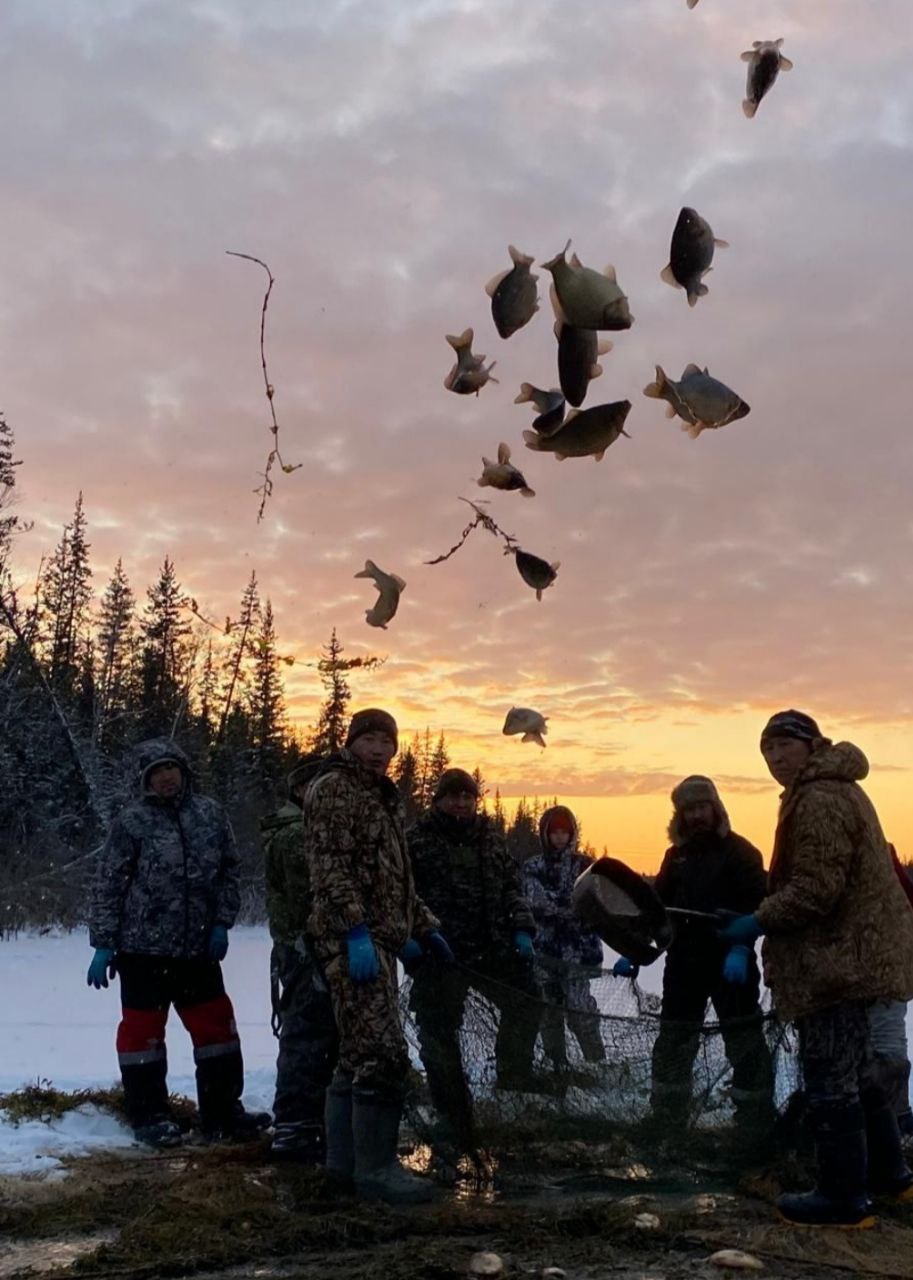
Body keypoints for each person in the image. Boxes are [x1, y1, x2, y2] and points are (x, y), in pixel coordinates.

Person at [721, 710, 913, 1227]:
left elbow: (816, 891)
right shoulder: (831, 790)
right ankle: (892, 1178)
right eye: (767, 752)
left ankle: (842, 1198)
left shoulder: (821, 798)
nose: (776, 759)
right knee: (859, 1073)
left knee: (830, 1077)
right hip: (858, 958)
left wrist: (755, 923)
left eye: (784, 745)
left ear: (811, 745)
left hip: (838, 963)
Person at [87, 738, 268, 1148]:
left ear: (184, 772)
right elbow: (108, 883)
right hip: (142, 952)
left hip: (198, 951)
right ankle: (150, 1116)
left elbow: (229, 872)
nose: (166, 777)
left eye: (172, 769)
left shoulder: (209, 814)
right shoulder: (131, 822)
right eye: (157, 772)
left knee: (217, 1031)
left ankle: (222, 1113)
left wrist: (222, 923)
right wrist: (103, 943)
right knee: (142, 1037)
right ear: (146, 779)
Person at [303, 709, 453, 1204]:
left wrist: (425, 926)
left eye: (385, 742)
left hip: (381, 942)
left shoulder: (383, 797)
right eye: (367, 739)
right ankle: (377, 1171)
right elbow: (330, 867)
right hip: (351, 943)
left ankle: (341, 1170)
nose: (376, 749)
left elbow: (392, 876)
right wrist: (356, 931)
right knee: (382, 1053)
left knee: (355, 1056)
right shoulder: (334, 789)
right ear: (351, 743)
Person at [615, 776, 774, 1133]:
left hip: (731, 964)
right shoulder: (676, 857)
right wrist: (636, 951)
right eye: (689, 810)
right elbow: (657, 910)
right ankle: (667, 1116)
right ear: (680, 815)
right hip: (684, 963)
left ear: (716, 809)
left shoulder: (743, 853)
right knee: (673, 1040)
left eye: (702, 807)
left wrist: (739, 947)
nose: (696, 815)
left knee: (744, 1040)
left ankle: (754, 1118)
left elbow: (757, 908)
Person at [407, 767, 540, 1157]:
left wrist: (522, 926)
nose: (461, 803)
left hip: (491, 947)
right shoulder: (417, 840)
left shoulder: (491, 838)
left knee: (528, 998)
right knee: (438, 1026)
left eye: (468, 797)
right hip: (439, 950)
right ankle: (451, 1112)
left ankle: (513, 1081)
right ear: (438, 800)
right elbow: (401, 892)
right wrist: (412, 937)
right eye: (453, 796)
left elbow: (511, 887)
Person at [261, 759, 338, 1163]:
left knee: (320, 1037)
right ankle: (293, 1126)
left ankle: (312, 1122)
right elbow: (312, 899)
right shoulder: (296, 835)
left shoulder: (314, 829)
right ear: (299, 791)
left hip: (314, 950)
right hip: (305, 953)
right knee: (306, 1039)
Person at [523, 806, 606, 1072]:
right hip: (544, 951)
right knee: (549, 1010)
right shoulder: (533, 865)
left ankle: (597, 1062)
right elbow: (535, 900)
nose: (560, 837)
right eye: (554, 832)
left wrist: (563, 907)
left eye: (564, 832)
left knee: (581, 1010)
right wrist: (569, 906)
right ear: (546, 834)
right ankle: (556, 1063)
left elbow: (594, 902)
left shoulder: (585, 866)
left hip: (578, 953)